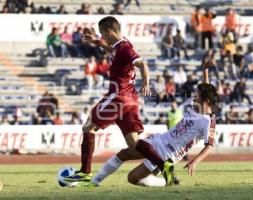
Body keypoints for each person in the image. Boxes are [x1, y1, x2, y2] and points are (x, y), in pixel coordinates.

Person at [80, 59, 217, 187]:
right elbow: (206, 89)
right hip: (160, 139)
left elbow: (209, 145)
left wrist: (195, 161)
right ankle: (94, 181)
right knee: (124, 153)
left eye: (197, 95)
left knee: (133, 178)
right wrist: (205, 70)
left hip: (169, 154)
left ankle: (167, 180)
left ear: (206, 101)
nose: (194, 96)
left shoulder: (207, 121)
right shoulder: (197, 108)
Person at [64, 16, 151, 183]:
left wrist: (146, 84)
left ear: (108, 31)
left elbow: (142, 64)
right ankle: (161, 159)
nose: (101, 36)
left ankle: (85, 173)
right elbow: (111, 50)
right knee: (134, 146)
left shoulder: (125, 48)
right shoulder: (121, 46)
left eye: (102, 33)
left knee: (88, 127)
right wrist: (96, 41)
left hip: (118, 97)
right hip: (130, 100)